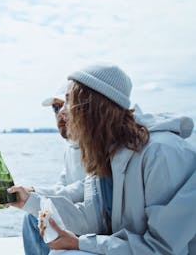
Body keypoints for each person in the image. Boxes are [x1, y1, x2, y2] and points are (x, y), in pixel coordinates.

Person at [14, 64, 196, 254]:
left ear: (93, 107)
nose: (62, 112)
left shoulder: (162, 154)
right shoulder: (110, 155)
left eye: (69, 102)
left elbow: (163, 248)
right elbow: (90, 219)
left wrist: (80, 244)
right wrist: (28, 201)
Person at [19, 86, 87, 255]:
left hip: (91, 221)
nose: (60, 113)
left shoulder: (96, 146)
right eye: (55, 108)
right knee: (32, 217)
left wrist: (34, 194)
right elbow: (62, 185)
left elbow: (85, 189)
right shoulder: (71, 147)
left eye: (65, 105)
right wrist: (30, 194)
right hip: (79, 213)